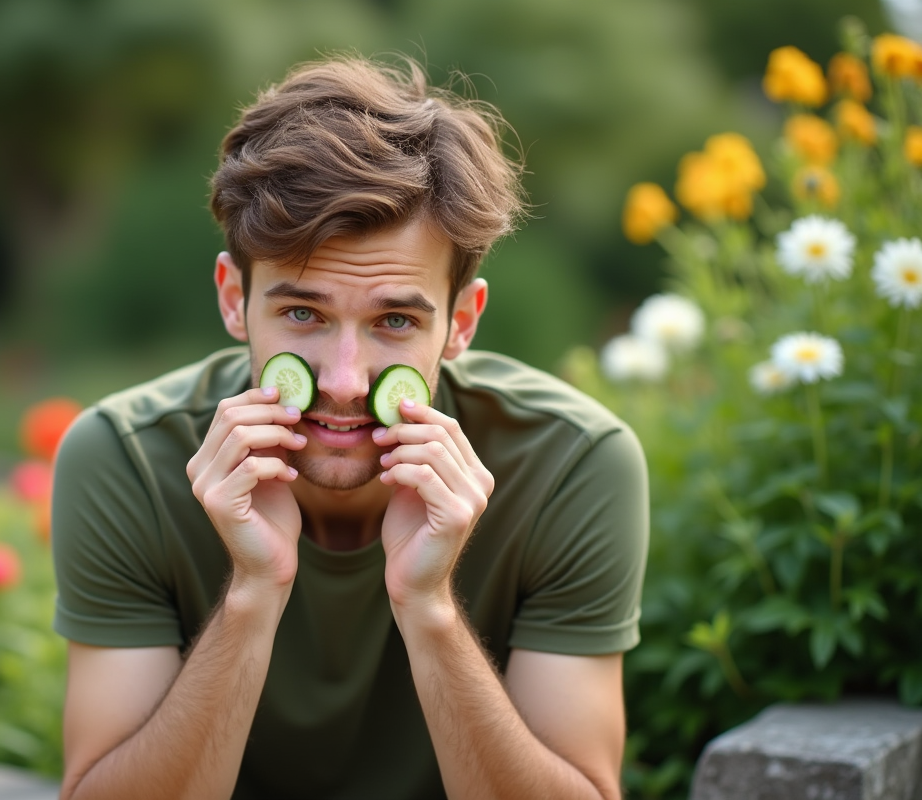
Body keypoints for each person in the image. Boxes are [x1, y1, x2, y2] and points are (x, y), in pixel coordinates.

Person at [52, 56, 648, 800]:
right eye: (303, 313)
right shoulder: (124, 459)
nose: (343, 381)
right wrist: (252, 594)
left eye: (394, 321)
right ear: (234, 299)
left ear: (462, 322)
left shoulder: (575, 464)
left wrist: (429, 609)